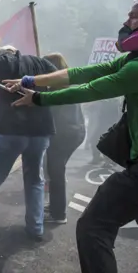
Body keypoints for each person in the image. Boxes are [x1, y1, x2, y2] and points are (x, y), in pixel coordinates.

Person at [3, 0, 138, 273]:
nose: (126, 22)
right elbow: (84, 73)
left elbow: (90, 89)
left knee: (94, 226)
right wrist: (29, 80)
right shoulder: (137, 60)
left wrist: (39, 98)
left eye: (136, 17)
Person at [0, 45, 57, 258]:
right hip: (41, 132)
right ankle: (36, 229)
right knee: (35, 181)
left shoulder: (4, 61)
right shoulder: (42, 62)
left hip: (10, 132)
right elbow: (57, 78)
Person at [42, 53, 86, 224]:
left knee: (56, 171)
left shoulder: (58, 88)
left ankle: (58, 214)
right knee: (55, 170)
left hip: (64, 135)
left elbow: (52, 113)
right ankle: (55, 206)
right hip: (75, 132)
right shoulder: (67, 82)